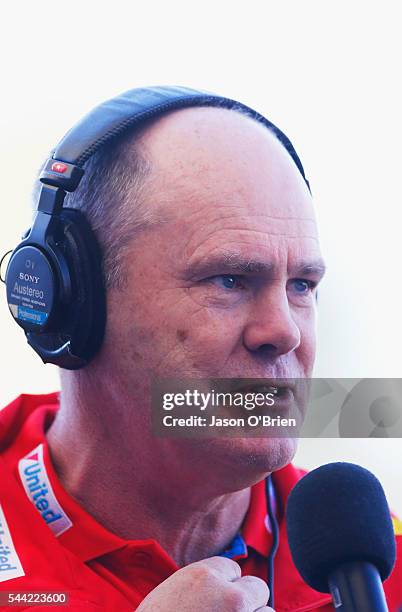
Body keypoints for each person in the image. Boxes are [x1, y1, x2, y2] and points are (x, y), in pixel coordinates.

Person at [1, 87, 401, 611]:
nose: (284, 332)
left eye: (301, 285)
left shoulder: (377, 565)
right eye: (229, 280)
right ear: (75, 302)